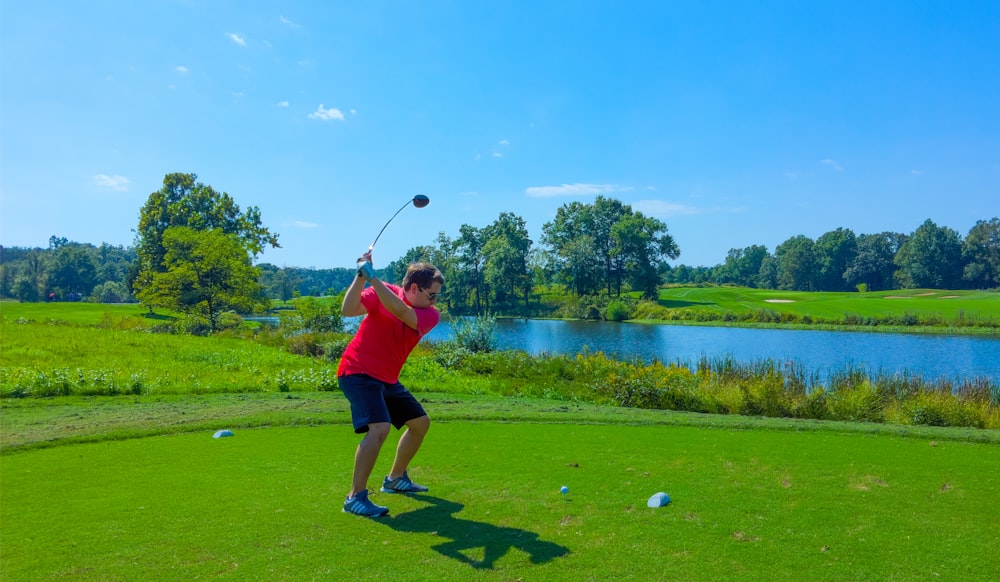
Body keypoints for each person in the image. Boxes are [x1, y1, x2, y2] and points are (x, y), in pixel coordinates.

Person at [337, 251, 444, 517]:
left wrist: (374, 279)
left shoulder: (430, 315)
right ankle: (355, 497)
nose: (435, 301)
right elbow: (347, 310)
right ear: (415, 288)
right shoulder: (382, 292)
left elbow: (401, 311)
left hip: (386, 378)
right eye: (432, 295)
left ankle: (395, 479)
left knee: (420, 423)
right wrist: (361, 277)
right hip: (357, 371)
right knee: (380, 427)